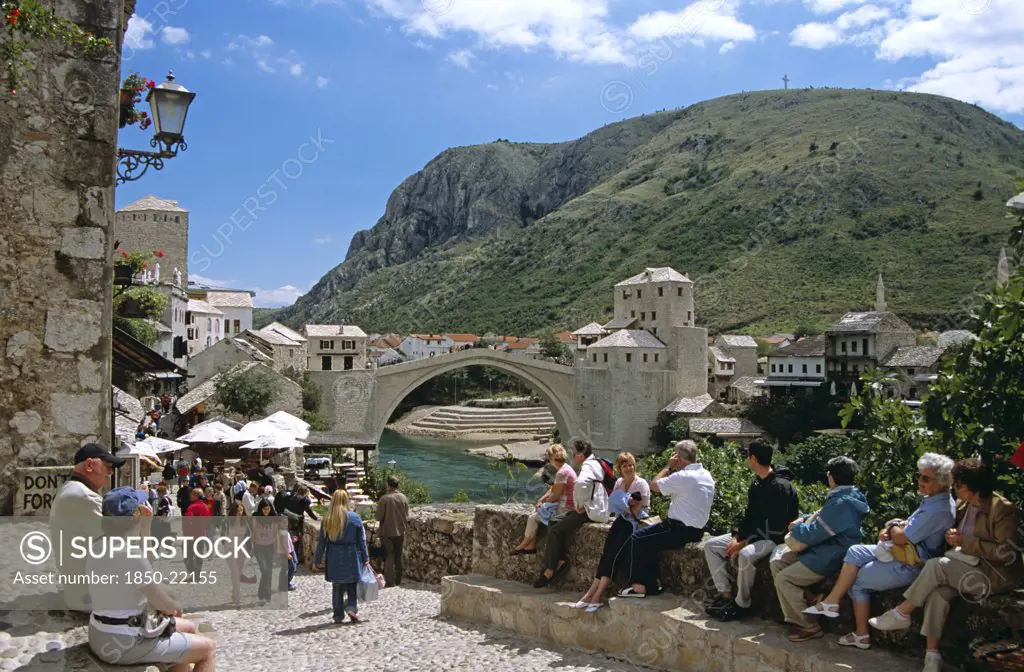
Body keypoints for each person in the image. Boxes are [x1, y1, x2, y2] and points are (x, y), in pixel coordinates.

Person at [869, 458, 1023, 672]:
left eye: (957, 485)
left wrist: (965, 542)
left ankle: (902, 613)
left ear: (972, 488)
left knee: (936, 566)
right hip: (965, 567)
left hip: (992, 575)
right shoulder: (962, 505)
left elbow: (1005, 554)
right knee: (938, 594)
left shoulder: (1002, 509)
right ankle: (932, 656)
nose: (953, 488)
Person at [801, 453, 955, 649]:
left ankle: (861, 635)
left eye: (925, 478)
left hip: (911, 562)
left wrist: (891, 527)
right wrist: (894, 528)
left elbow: (901, 536)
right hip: (902, 550)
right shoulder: (933, 499)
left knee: (857, 582)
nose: (919, 481)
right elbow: (905, 528)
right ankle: (832, 601)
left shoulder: (938, 509)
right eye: (918, 475)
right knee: (855, 551)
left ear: (941, 481)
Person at [85, 486, 216, 671]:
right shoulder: (130, 554)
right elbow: (166, 606)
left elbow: (144, 574)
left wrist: (144, 530)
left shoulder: (97, 545)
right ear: (135, 516)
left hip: (99, 632)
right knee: (208, 648)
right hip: (125, 642)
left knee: (187, 628)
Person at [770, 456, 869, 642]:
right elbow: (823, 517)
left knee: (784, 579)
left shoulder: (841, 503)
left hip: (828, 555)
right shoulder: (847, 495)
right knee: (777, 563)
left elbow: (813, 534)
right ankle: (812, 598)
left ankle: (809, 625)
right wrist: (804, 518)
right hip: (824, 550)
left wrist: (796, 528)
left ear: (831, 477)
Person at [705, 442, 800, 621]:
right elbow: (749, 515)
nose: (747, 459)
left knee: (746, 555)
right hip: (753, 535)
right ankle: (725, 595)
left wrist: (743, 543)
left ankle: (742, 604)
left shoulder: (780, 486)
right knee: (711, 546)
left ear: (754, 458)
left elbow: (777, 525)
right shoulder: (757, 483)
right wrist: (736, 536)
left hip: (774, 537)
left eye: (748, 455)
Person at [618, 439, 715, 598]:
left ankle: (639, 587)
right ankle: (654, 583)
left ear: (678, 457)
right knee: (651, 542)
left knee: (637, 538)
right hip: (698, 531)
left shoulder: (683, 476)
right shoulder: (706, 474)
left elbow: (653, 485)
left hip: (678, 529)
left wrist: (669, 467)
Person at [49, 443, 127, 612]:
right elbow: (120, 547)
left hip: (78, 589)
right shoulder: (84, 497)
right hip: (90, 596)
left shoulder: (71, 489)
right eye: (108, 467)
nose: (110, 473)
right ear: (90, 465)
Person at [574, 452, 650, 612]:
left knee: (614, 557)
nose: (629, 468)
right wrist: (623, 504)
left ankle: (596, 596)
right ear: (619, 468)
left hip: (632, 524)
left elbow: (636, 512)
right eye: (625, 465)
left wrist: (624, 504)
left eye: (630, 464)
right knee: (606, 555)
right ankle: (590, 594)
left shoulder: (641, 484)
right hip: (620, 521)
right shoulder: (620, 483)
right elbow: (616, 507)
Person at [534, 439, 609, 588]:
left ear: (581, 455)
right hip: (597, 508)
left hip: (590, 511)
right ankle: (560, 560)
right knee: (554, 521)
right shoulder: (596, 463)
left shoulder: (587, 467)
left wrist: (581, 505)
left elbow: (581, 483)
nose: (573, 456)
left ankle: (549, 570)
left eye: (574, 453)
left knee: (555, 530)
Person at [314, 490, 371, 623]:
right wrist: (365, 558)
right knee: (352, 584)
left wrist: (317, 560)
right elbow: (361, 541)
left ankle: (338, 615)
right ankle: (351, 607)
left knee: (337, 586)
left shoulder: (328, 519)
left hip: (334, 554)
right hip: (351, 554)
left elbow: (322, 542)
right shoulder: (355, 518)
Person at [511, 444, 575, 556]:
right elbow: (553, 489)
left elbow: (555, 495)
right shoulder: (567, 468)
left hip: (565, 508)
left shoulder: (561, 473)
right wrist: (542, 500)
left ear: (551, 458)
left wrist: (543, 503)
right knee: (536, 513)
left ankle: (523, 545)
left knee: (532, 517)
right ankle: (530, 547)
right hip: (568, 505)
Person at [376, 475, 410, 587]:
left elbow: (378, 517)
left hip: (387, 531)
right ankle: (398, 580)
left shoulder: (384, 499)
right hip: (400, 531)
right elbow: (407, 515)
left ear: (388, 485)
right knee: (398, 554)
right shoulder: (403, 498)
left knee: (389, 555)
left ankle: (390, 582)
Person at [252, 498, 284, 604]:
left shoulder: (273, 518)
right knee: (265, 569)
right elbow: (253, 533)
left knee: (269, 571)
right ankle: (262, 593)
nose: (266, 511)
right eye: (264, 509)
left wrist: (278, 548)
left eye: (268, 509)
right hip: (259, 547)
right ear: (261, 509)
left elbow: (276, 534)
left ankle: (266, 595)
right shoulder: (255, 517)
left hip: (270, 547)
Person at [183, 489, 211, 576]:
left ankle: (192, 572)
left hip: (191, 534)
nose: (190, 496)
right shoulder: (205, 507)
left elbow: (188, 521)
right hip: (202, 533)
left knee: (187, 554)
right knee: (199, 554)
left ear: (195, 496)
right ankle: (197, 574)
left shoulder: (192, 507)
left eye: (191, 494)